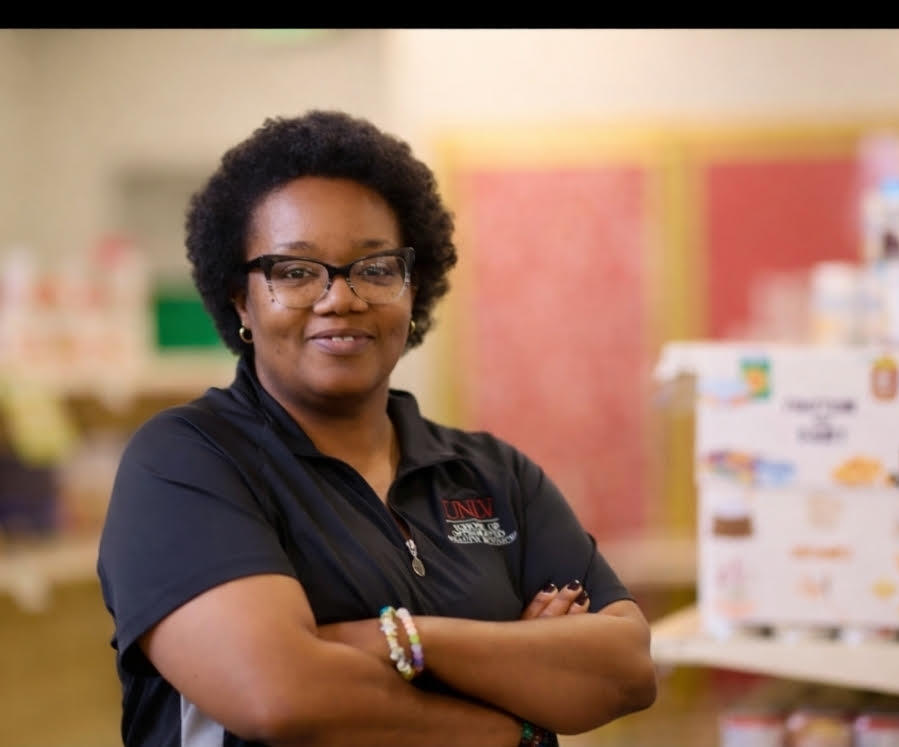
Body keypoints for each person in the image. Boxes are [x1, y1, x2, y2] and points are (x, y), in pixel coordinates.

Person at [96, 109, 657, 747]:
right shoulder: (188, 461)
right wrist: (517, 720)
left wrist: (400, 639)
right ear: (240, 299)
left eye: (376, 267)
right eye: (295, 272)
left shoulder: (494, 474)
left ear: (413, 289)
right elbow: (279, 695)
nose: (341, 298)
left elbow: (627, 670)